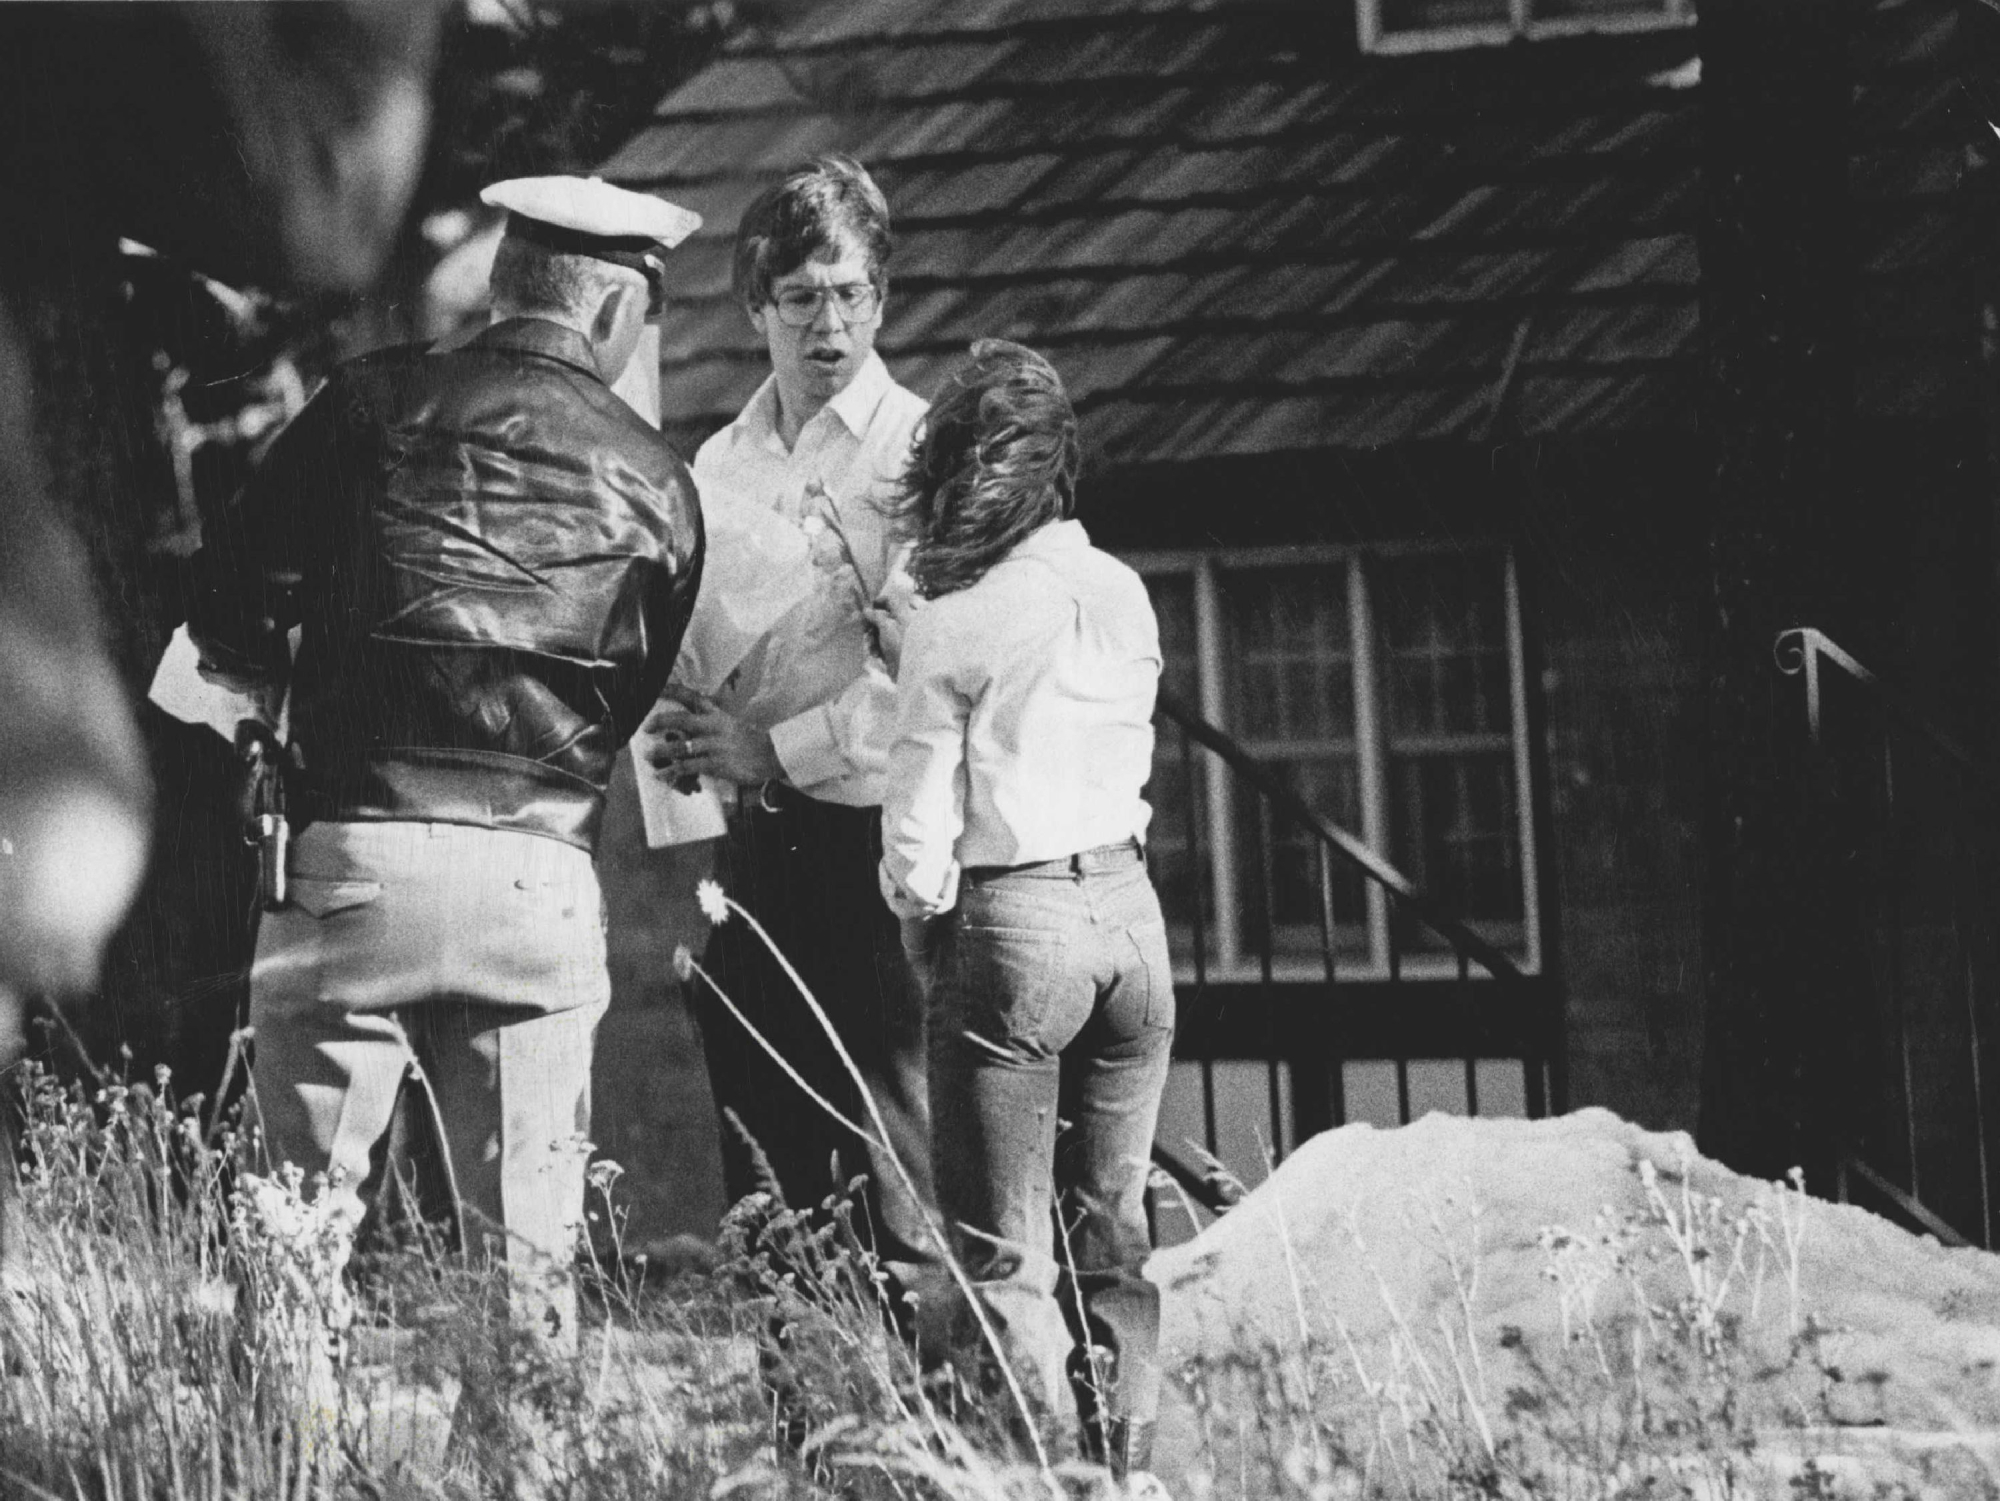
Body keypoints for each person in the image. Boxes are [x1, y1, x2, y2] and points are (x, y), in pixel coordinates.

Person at [186, 175, 705, 1342]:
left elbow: (224, 607)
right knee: (528, 1276)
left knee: (296, 1244)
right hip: (533, 873)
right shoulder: (661, 486)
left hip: (349, 857)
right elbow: (621, 702)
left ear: (502, 288)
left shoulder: (369, 403)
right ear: (617, 315)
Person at [878, 340, 1175, 1490]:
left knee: (1002, 1251)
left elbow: (917, 831)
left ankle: (1038, 1473)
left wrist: (921, 919)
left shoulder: (954, 619)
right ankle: (1129, 1464)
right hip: (1130, 916)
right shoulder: (1122, 589)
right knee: (1112, 1230)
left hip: (1016, 920)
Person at [642, 156, 937, 1283]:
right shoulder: (719, 462)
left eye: (853, 293)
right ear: (757, 305)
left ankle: (923, 1442)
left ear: (882, 299)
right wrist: (685, 724)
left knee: (892, 1165)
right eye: (802, 297)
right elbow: (705, 648)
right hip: (755, 845)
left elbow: (927, 675)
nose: (829, 324)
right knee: (770, 1167)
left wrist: (780, 746)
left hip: (876, 848)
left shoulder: (917, 451)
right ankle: (805, 1431)